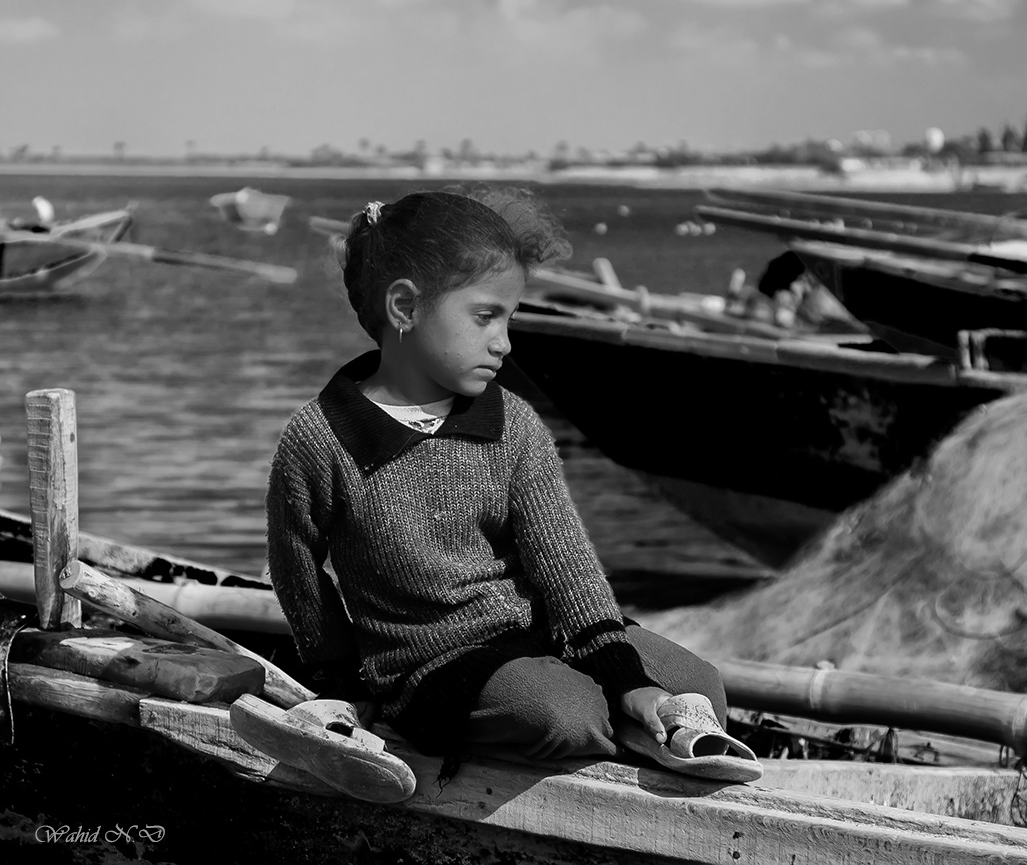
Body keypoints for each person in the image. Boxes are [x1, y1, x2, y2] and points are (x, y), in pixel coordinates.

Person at [265, 188, 731, 771]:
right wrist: (341, 681)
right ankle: (623, 727)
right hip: (431, 665)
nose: (504, 343)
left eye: (509, 318)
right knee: (563, 714)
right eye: (485, 316)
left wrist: (623, 673)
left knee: (700, 684)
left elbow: (564, 562)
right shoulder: (320, 438)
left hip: (542, 634)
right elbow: (298, 572)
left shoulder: (513, 423)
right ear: (405, 308)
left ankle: (633, 720)